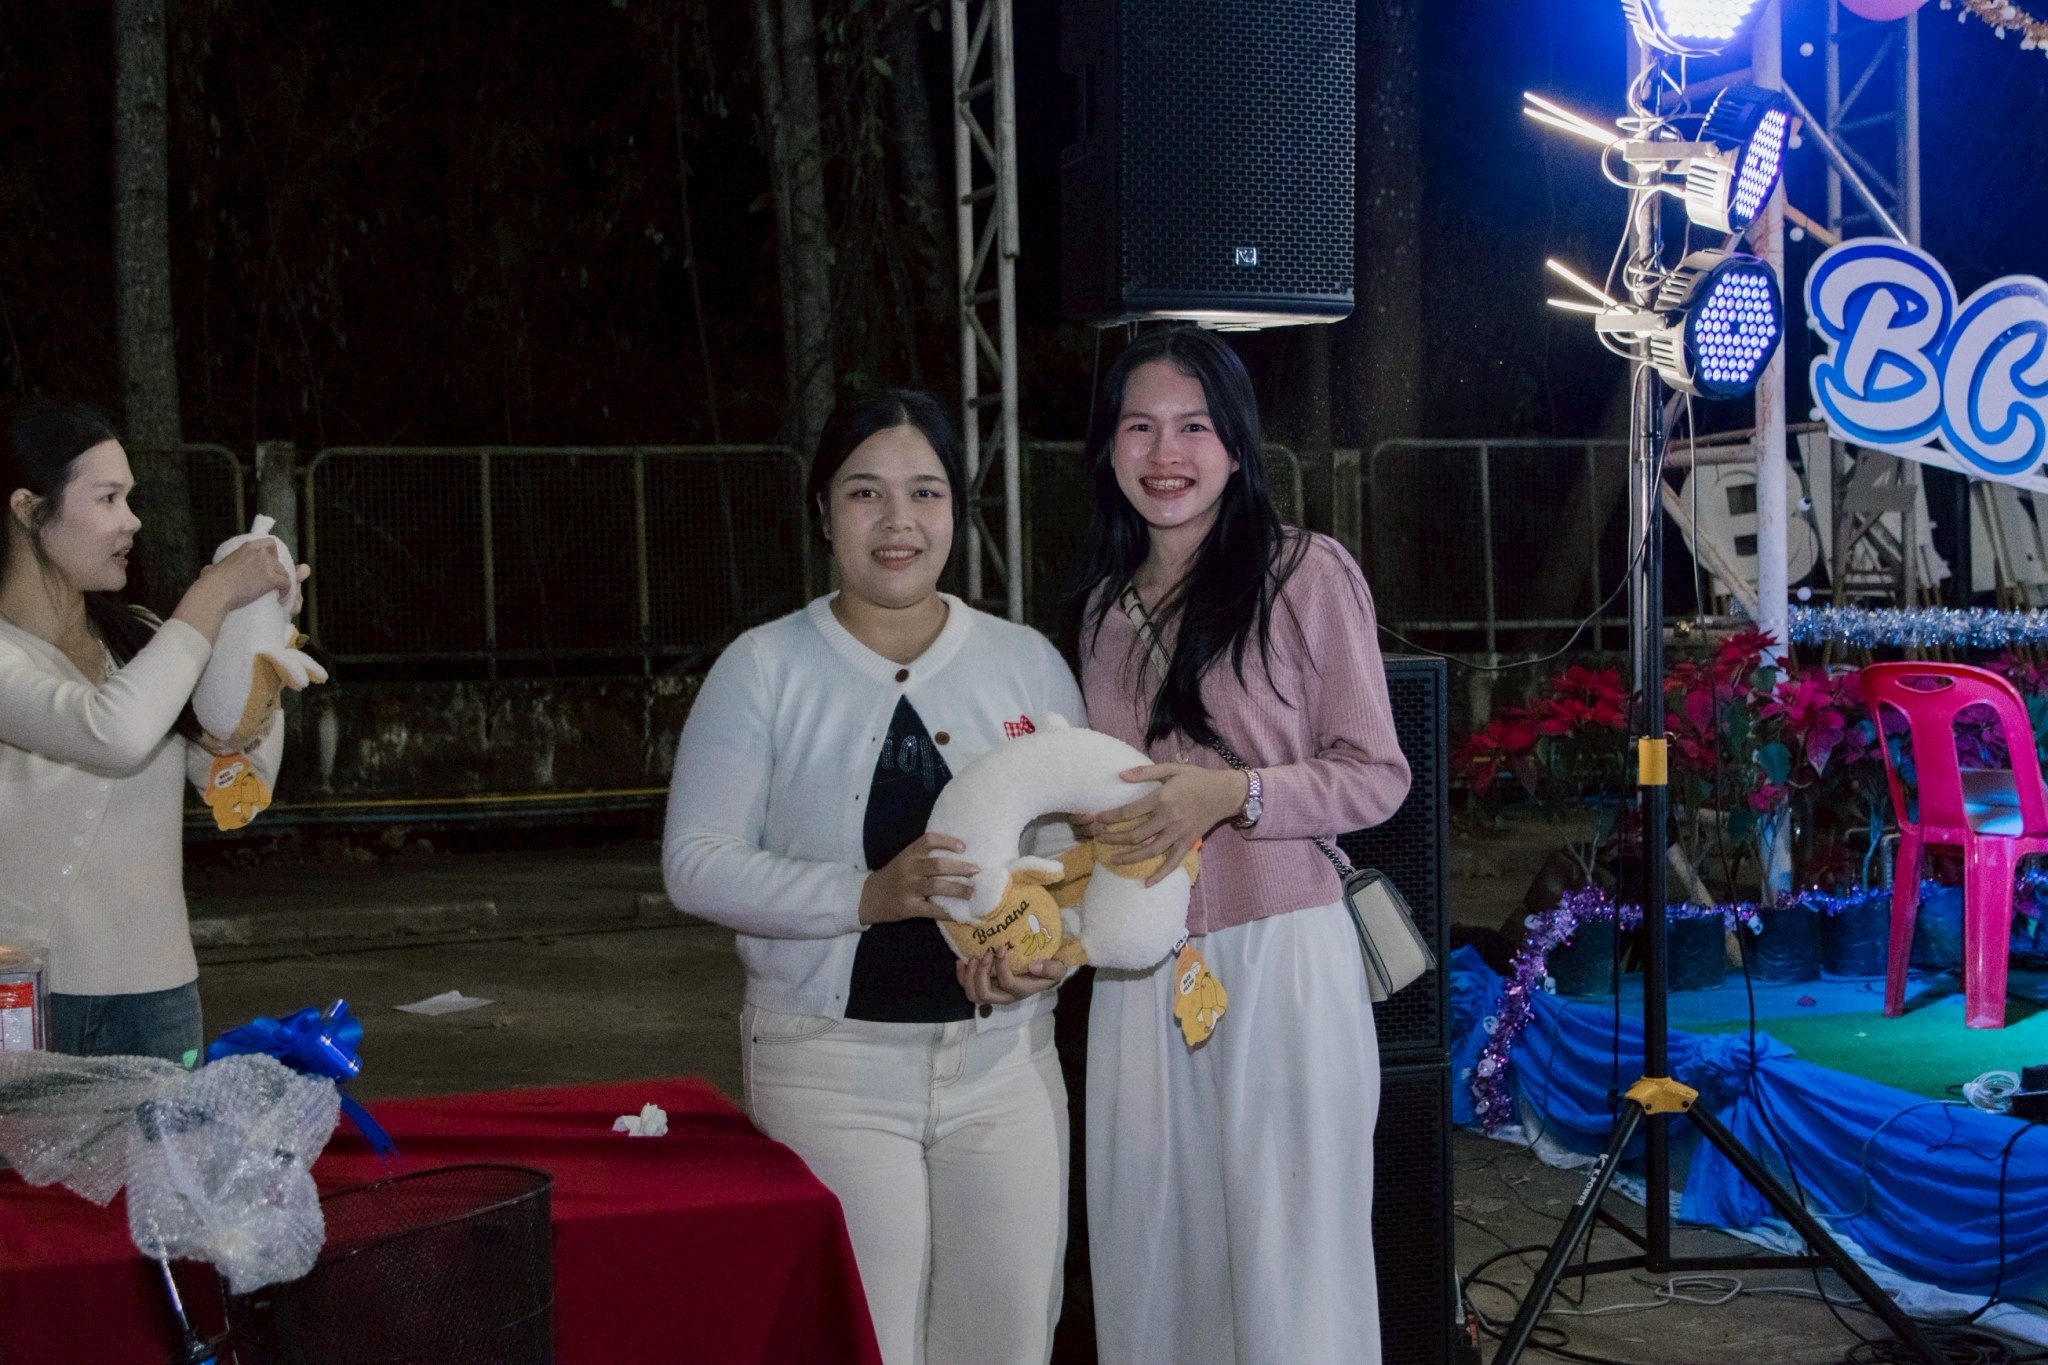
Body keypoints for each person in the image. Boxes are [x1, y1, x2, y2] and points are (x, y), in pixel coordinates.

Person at [663, 388, 1085, 1365]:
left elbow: (1072, 863)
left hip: (1004, 1073)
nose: (898, 520)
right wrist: (865, 895)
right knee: (862, 1343)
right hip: (829, 1073)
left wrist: (1044, 957)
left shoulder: (1025, 663)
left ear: (956, 510)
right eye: (865, 492)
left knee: (1008, 1341)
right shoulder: (762, 668)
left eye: (925, 492)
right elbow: (694, 863)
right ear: (823, 511)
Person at [1068, 328, 1412, 1365]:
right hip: (1141, 973)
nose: (1164, 453)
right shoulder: (1100, 614)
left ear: (1235, 445)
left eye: (1193, 426)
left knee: (1292, 1259)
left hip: (1284, 957)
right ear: (1108, 447)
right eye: (1139, 427)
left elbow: (1377, 774)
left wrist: (1237, 793)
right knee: (1153, 1253)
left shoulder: (1305, 573)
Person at [0, 398, 305, 1065]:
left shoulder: (139, 636)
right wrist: (212, 596)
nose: (132, 520)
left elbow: (239, 784)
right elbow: (113, 733)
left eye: (130, 498)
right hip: (26, 1000)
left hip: (160, 998)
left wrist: (255, 645)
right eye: (108, 498)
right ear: (28, 509)